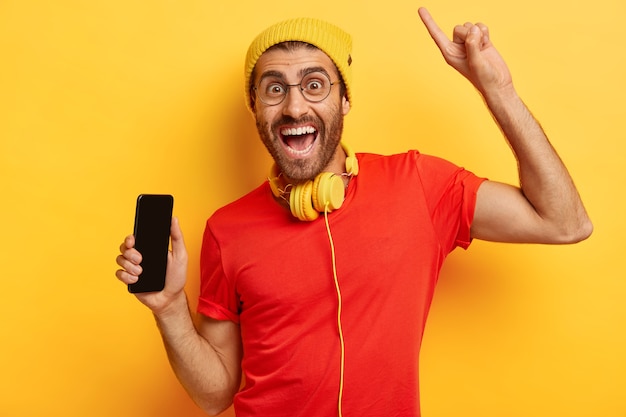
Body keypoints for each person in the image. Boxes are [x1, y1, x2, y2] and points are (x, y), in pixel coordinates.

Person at [115, 7, 592, 417]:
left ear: (345, 99)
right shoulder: (226, 229)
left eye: (315, 85)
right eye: (274, 89)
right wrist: (170, 308)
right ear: (255, 107)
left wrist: (499, 89)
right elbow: (215, 396)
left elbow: (565, 223)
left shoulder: (419, 184)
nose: (294, 106)